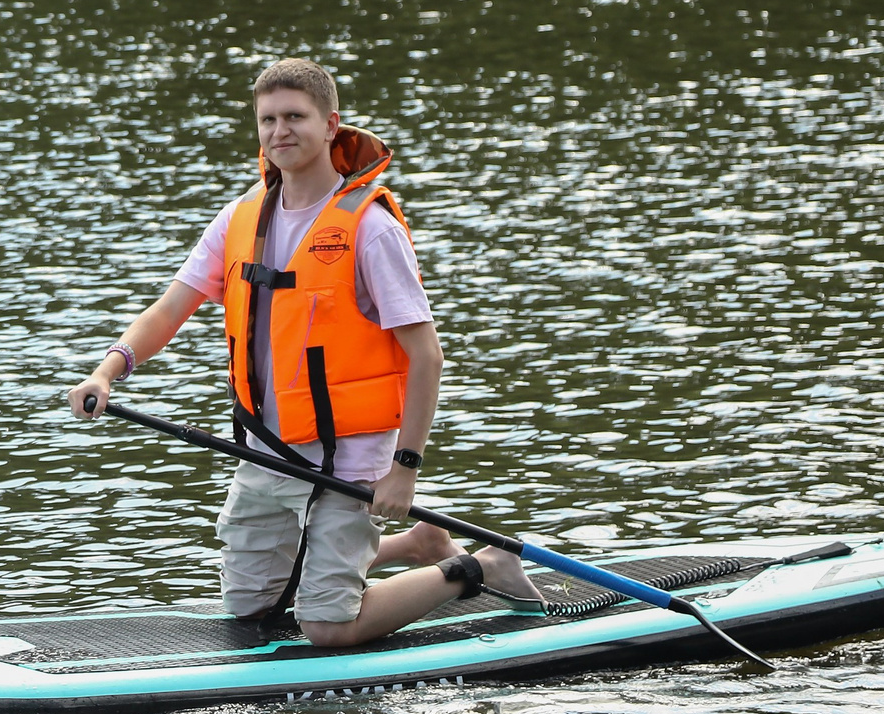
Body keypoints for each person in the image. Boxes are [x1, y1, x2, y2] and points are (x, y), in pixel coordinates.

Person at [65, 57, 536, 645]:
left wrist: (404, 470)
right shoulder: (241, 217)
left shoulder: (371, 227)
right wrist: (108, 371)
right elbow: (169, 309)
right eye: (268, 119)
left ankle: (480, 567)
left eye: (295, 116)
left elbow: (427, 356)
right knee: (249, 608)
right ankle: (415, 544)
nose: (279, 131)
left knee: (326, 627)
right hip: (267, 449)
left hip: (349, 458)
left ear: (331, 124)